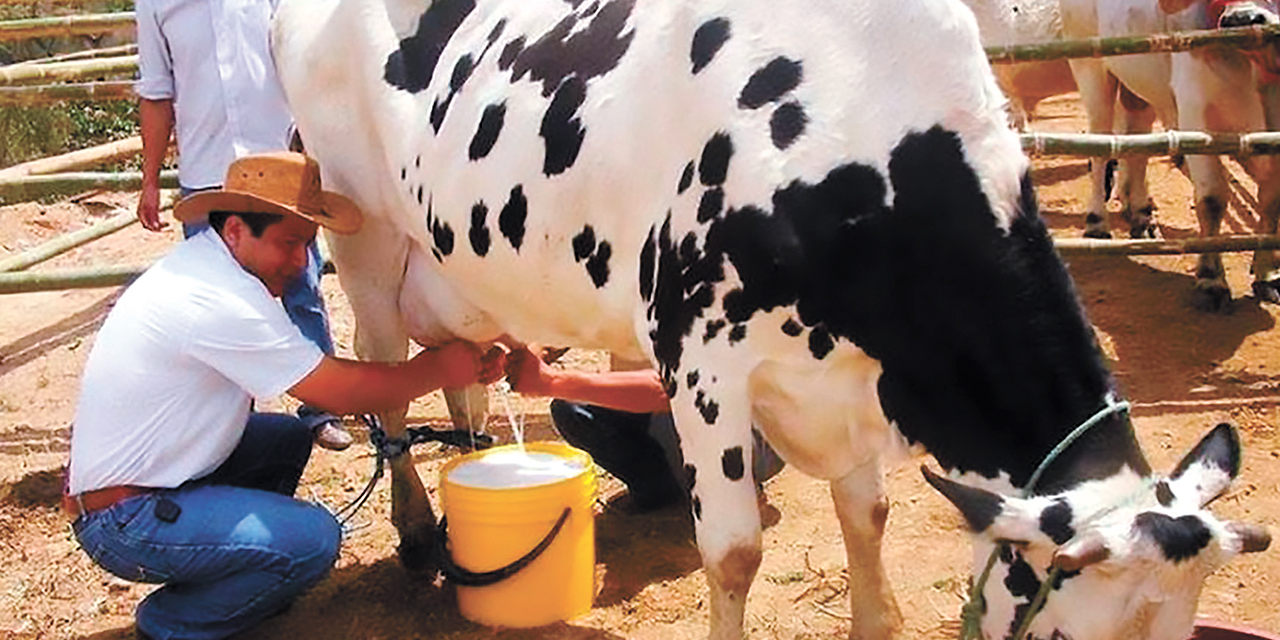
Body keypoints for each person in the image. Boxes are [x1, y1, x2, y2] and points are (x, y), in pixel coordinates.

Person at [66, 152, 506, 640]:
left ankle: (240, 569)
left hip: (144, 484)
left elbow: (328, 378)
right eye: (289, 243)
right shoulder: (218, 299)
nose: (301, 263)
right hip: (123, 518)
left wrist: (438, 365)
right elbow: (335, 392)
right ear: (235, 230)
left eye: (309, 246)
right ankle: (173, 622)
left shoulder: (212, 270)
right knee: (316, 540)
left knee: (286, 438)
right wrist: (440, 367)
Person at [132, 0, 352, 450]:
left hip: (277, 165)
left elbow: (302, 56)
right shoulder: (155, 3)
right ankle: (227, 422)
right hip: (205, 172)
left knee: (300, 285)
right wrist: (149, 180)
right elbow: (156, 92)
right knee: (215, 303)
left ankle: (320, 407)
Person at [504, 346, 784, 512]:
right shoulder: (622, 269)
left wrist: (550, 380)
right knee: (571, 409)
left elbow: (668, 390)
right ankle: (658, 490)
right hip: (655, 409)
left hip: (749, 433)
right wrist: (514, 354)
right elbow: (564, 328)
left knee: (680, 415)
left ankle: (736, 488)